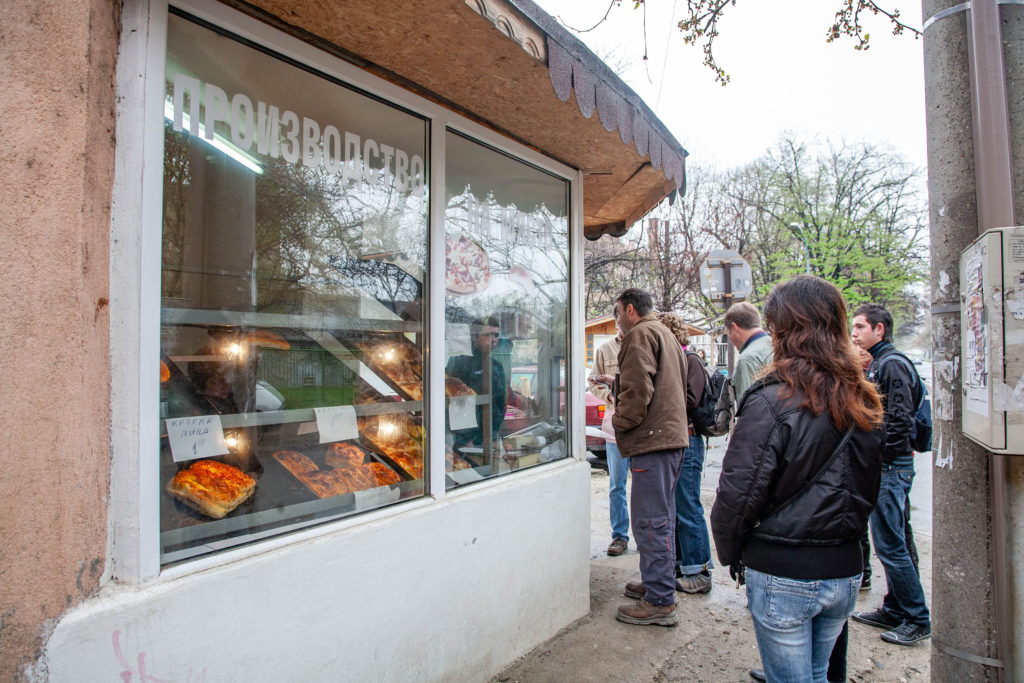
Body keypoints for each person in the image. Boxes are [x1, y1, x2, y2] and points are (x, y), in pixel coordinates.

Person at [711, 275, 884, 682]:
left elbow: (737, 494)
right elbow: (869, 487)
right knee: (817, 675)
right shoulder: (863, 397)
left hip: (784, 571)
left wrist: (734, 554)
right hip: (843, 570)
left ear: (783, 329)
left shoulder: (773, 398)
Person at [850, 303, 932, 645]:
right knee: (896, 539)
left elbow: (898, 420)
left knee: (890, 545)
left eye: (859, 327)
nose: (853, 334)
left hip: (890, 468)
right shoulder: (881, 362)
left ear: (879, 330)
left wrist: (878, 459)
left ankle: (916, 617)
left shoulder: (892, 364)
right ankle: (895, 608)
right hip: (890, 466)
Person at [611, 289, 689, 627]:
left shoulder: (641, 334)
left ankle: (659, 600)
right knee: (662, 517)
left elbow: (637, 391)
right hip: (669, 440)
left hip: (653, 442)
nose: (615, 319)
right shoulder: (665, 334)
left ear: (630, 309)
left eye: (616, 312)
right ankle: (658, 582)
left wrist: (619, 422)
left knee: (650, 520)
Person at [657, 312, 713, 594]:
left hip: (689, 441)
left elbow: (689, 399)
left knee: (689, 506)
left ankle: (699, 570)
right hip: (677, 439)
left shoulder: (690, 360)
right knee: (676, 507)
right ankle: (682, 564)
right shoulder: (674, 361)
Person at [588, 330, 628, 556]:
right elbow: (593, 381)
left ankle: (647, 536)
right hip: (615, 426)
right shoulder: (605, 349)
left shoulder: (646, 342)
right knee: (617, 484)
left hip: (643, 427)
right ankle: (620, 536)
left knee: (645, 487)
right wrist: (610, 397)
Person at [446, 317, 507, 447]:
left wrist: (493, 435)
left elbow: (500, 405)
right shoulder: (460, 362)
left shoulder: (496, 366)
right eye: (487, 334)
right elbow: (455, 402)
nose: (493, 339)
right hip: (466, 441)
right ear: (474, 337)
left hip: (488, 438)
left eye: (496, 335)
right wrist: (465, 439)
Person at [724, 301, 773, 399]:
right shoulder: (776, 345)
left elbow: (747, 405)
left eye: (728, 332)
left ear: (734, 327)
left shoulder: (747, 359)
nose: (730, 338)